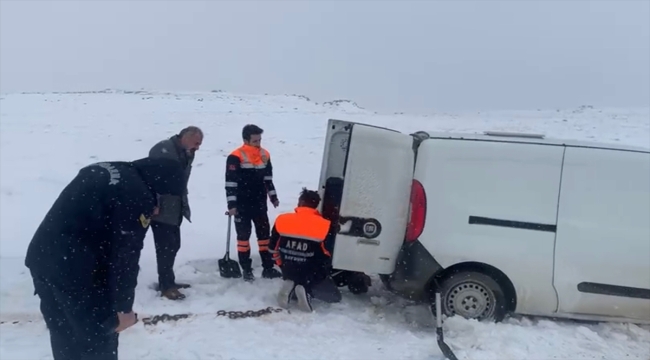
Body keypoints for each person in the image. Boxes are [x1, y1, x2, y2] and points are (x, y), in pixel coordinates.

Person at [24, 157, 186, 360]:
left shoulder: (108, 167)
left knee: (63, 332)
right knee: (99, 337)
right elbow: (126, 257)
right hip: (75, 269)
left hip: (41, 258)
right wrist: (124, 308)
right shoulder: (136, 195)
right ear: (158, 182)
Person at [148, 126, 203, 300]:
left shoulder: (186, 152)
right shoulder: (163, 150)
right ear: (185, 137)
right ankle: (166, 286)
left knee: (173, 245)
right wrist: (154, 204)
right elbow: (152, 180)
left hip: (176, 207)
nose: (197, 148)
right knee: (165, 247)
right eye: (196, 143)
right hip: (162, 208)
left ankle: (169, 281)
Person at [269, 188, 343, 312]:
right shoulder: (325, 224)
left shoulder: (282, 219)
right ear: (316, 205)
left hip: (288, 267)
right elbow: (327, 252)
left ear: (301, 202)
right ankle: (305, 289)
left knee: (295, 273)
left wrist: (282, 265)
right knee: (334, 297)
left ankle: (291, 284)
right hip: (310, 271)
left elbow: (272, 248)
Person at [225, 124, 282, 281]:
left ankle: (268, 268)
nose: (259, 143)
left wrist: (273, 197)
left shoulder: (265, 155)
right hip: (242, 205)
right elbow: (230, 183)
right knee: (243, 239)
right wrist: (232, 205)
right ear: (245, 140)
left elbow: (268, 179)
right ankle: (246, 269)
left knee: (264, 237)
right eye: (255, 141)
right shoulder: (235, 156)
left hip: (259, 203)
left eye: (260, 140)